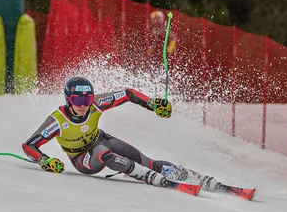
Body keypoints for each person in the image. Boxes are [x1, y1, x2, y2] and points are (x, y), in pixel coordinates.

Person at [22, 76, 239, 194]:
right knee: (102, 153)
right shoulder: (58, 121)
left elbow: (127, 94)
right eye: (78, 101)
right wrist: (44, 160)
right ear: (68, 100)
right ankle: (146, 176)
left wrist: (152, 104)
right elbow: (29, 145)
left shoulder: (96, 104)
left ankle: (190, 176)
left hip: (100, 139)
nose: (83, 106)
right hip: (82, 159)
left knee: (143, 159)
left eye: (87, 100)